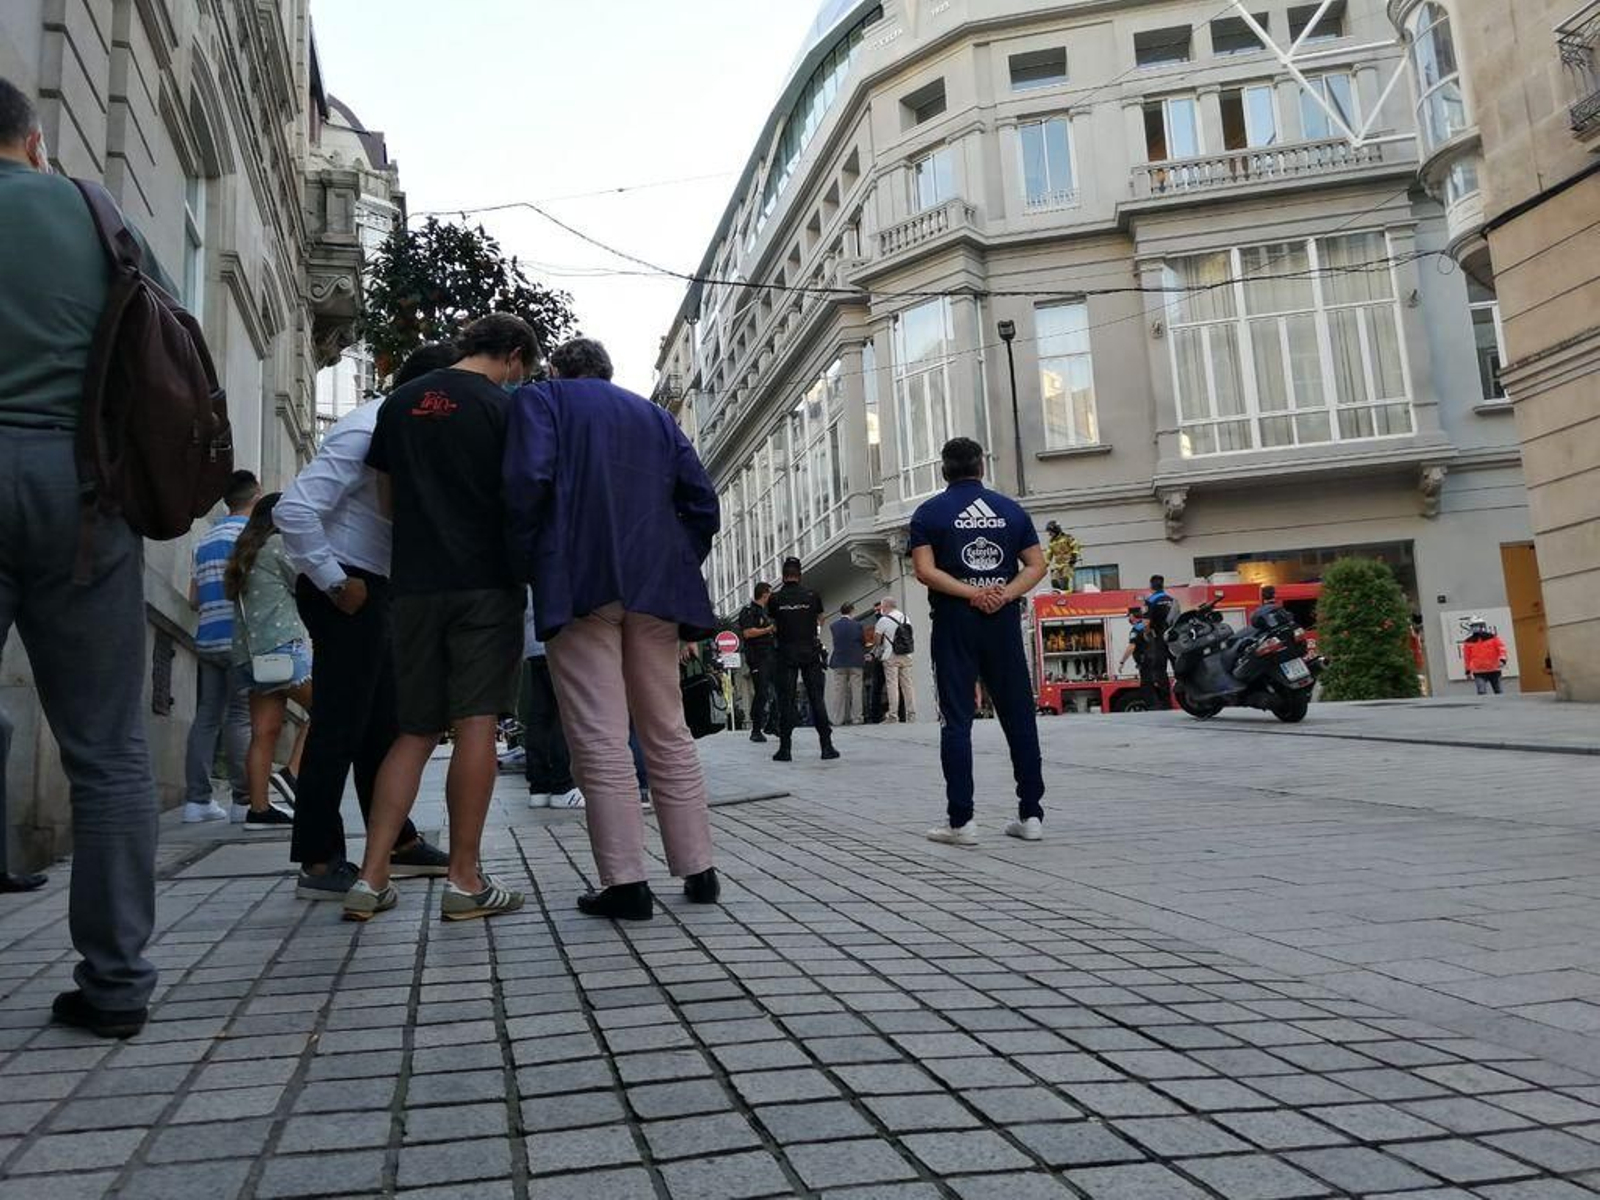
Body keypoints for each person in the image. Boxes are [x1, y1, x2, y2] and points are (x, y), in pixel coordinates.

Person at [0, 79, 166, 1032]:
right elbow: (166, 336)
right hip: (82, 492)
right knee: (107, 753)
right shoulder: (95, 214)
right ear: (33, 138)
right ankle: (114, 985)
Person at [505, 336, 721, 922]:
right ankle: (699, 869)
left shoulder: (541, 401)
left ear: (557, 369)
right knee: (666, 728)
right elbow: (703, 502)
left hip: (579, 581)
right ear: (609, 371)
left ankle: (626, 883)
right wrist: (675, 559)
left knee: (599, 736)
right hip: (655, 586)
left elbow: (525, 484)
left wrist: (530, 564)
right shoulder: (655, 416)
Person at [344, 314, 538, 923]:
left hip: (415, 584)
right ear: (512, 356)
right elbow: (522, 495)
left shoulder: (397, 405)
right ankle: (464, 880)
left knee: (415, 730)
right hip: (485, 582)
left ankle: (371, 877)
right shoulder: (505, 410)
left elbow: (386, 499)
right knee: (477, 725)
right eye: (522, 371)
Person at [275, 343, 456, 900]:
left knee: (382, 724)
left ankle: (395, 839)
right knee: (339, 724)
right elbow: (294, 510)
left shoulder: (395, 427)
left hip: (373, 585)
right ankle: (319, 857)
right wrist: (335, 581)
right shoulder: (364, 428)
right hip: (347, 585)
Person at [910, 438, 1048, 846]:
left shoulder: (928, 513)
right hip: (1002, 621)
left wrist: (971, 593)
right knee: (1019, 715)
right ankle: (1031, 815)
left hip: (955, 622)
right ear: (981, 466)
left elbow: (924, 571)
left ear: (943, 469)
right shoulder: (1010, 510)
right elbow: (1037, 565)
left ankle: (962, 822)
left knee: (957, 720)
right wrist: (1002, 593)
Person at [225, 494, 306, 832]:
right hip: (281, 649)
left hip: (249, 655)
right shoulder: (277, 547)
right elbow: (304, 582)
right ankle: (292, 774)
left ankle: (258, 810)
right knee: (332, 709)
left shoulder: (244, 553)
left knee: (263, 732)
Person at [183, 470, 260, 824]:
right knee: (240, 717)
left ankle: (197, 800)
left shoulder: (205, 540)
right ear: (256, 496)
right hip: (238, 638)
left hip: (207, 638)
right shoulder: (250, 536)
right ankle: (243, 799)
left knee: (207, 716)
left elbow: (193, 599)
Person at [769, 558, 839, 763]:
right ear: (800, 575)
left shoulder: (775, 598)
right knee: (816, 698)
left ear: (783, 576)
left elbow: (773, 623)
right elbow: (820, 618)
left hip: (785, 653)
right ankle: (826, 747)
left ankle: (785, 749)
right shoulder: (812, 596)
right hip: (810, 651)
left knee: (786, 701)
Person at [522, 589, 584, 809]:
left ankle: (539, 786)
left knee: (540, 714)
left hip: (533, 635)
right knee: (564, 712)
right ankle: (562, 785)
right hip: (559, 633)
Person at [737, 583, 777, 742]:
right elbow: (747, 633)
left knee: (781, 689)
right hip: (757, 657)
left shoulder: (766, 612)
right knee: (762, 692)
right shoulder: (749, 611)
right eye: (770, 594)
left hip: (770, 655)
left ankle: (773, 724)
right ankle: (756, 729)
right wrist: (768, 629)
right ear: (765, 594)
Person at [873, 597, 918, 723]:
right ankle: (911, 715)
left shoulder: (883, 620)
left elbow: (876, 640)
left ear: (886, 606)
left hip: (890, 655)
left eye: (882, 607)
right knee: (908, 686)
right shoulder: (905, 618)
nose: (881, 609)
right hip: (906, 655)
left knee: (892, 685)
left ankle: (893, 715)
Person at [828, 602, 867, 726]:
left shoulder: (833, 626)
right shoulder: (858, 625)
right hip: (855, 660)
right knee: (856, 690)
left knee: (839, 691)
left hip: (839, 661)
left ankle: (837, 719)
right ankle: (857, 718)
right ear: (852, 611)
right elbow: (863, 641)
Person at [1140, 575, 1176, 709]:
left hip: (1160, 639)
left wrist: (1147, 633)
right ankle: (1185, 694)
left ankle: (1166, 703)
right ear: (1163, 585)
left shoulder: (1150, 601)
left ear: (1151, 586)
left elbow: (1146, 623)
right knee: (1177, 667)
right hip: (1174, 639)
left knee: (1160, 670)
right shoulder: (1172, 600)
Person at [1462, 617, 1509, 695]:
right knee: (1481, 692)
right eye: (1473, 626)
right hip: (1478, 671)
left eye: (1476, 625)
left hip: (1494, 669)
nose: (1475, 628)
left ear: (1482, 626)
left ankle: (1501, 707)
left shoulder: (1492, 637)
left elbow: (1501, 648)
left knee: (1498, 691)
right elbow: (1467, 657)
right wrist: (1467, 671)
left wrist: (1502, 659)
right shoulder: (1468, 641)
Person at [1044, 520, 1082, 592]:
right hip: (1058, 565)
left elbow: (1076, 545)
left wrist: (1074, 556)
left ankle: (1066, 594)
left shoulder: (1067, 538)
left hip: (1067, 563)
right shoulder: (1052, 542)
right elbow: (1049, 554)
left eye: (1050, 532)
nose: (1049, 534)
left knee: (1065, 580)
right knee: (1054, 581)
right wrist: (1045, 565)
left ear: (1055, 529)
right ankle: (1058, 595)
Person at [1117, 605, 1147, 675]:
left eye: (1129, 616)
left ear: (1132, 616)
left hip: (1145, 662)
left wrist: (1122, 662)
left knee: (1147, 683)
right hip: (1154, 660)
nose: (1129, 619)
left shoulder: (1136, 629)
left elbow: (1131, 647)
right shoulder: (1147, 625)